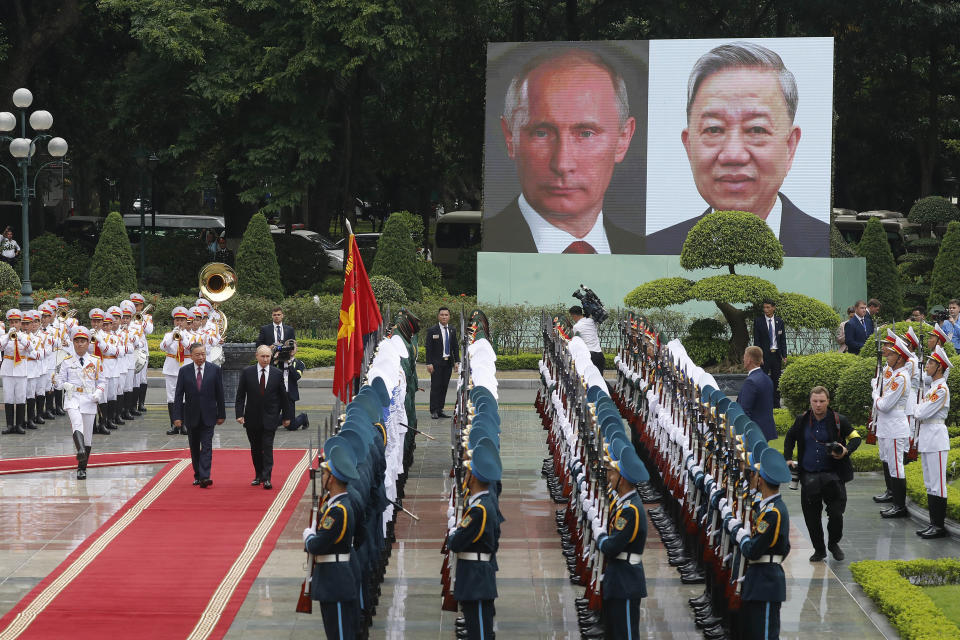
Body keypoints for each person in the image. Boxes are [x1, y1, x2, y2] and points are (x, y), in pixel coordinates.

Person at [646, 42, 829, 257]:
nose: (733, 155)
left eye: (756, 129)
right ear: (689, 146)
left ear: (790, 146)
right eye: (714, 129)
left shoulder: (831, 250)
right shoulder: (654, 251)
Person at [485, 48, 644, 254]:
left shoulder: (642, 250)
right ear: (510, 137)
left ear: (623, 139)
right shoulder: (486, 248)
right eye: (541, 133)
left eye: (586, 134)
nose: (562, 164)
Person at [783, 386, 861, 561]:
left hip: (833, 476)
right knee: (811, 517)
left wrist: (845, 450)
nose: (818, 405)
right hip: (809, 476)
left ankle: (833, 543)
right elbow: (789, 438)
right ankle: (819, 550)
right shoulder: (802, 420)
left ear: (828, 402)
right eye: (815, 401)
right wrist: (788, 458)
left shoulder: (838, 420)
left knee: (836, 515)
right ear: (810, 402)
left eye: (822, 401)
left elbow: (856, 438)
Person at [725, 447, 792, 640]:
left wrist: (739, 533)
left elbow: (753, 550)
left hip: (766, 583)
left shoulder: (774, 512)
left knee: (764, 635)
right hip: (759, 579)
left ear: (760, 480)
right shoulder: (769, 509)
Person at [303, 438, 361, 639]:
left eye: (325, 473)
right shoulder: (337, 505)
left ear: (333, 479)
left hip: (335, 582)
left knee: (340, 634)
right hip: (333, 578)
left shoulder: (339, 511)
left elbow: (318, 545)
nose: (323, 476)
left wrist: (309, 538)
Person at [446, 441, 502, 640]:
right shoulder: (480, 505)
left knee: (479, 633)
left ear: (474, 477)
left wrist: (453, 532)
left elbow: (455, 543)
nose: (466, 477)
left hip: (475, 578)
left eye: (469, 472)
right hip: (475, 576)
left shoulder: (479, 511)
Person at [595, 446, 648, 640]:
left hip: (625, 581)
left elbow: (612, 547)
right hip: (619, 579)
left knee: (625, 635)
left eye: (612, 473)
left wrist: (599, 536)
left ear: (622, 478)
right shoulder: (625, 505)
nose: (609, 477)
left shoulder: (630, 510)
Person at [235, 345, 292, 489]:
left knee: (267, 447)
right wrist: (239, 414)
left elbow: (283, 397)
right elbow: (240, 396)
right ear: (257, 356)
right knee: (255, 448)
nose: (265, 359)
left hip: (270, 417)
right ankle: (258, 475)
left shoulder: (277, 374)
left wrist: (286, 416)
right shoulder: (247, 372)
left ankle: (267, 478)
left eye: (268, 356)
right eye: (263, 356)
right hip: (252, 417)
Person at [54, 328, 105, 479]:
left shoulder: (95, 360)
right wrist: (62, 385)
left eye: (83, 341)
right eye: (77, 341)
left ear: (88, 343)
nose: (80, 344)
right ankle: (80, 450)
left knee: (88, 435)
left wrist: (98, 393)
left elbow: (102, 380)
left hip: (89, 398)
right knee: (76, 423)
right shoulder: (67, 361)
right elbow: (59, 382)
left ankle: (82, 467)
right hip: (72, 397)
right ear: (73, 343)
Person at [172, 343, 225, 488]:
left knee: (207, 446)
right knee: (194, 447)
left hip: (209, 415)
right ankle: (198, 474)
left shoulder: (214, 370)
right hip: (191, 415)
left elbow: (220, 393)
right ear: (191, 355)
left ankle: (205, 476)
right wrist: (177, 416)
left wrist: (221, 414)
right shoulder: (184, 371)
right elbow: (178, 395)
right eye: (198, 354)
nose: (201, 357)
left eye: (203, 354)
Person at [913, 345, 951, 539]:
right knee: (929, 483)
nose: (927, 365)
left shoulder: (941, 390)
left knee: (938, 484)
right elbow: (919, 411)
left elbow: (920, 412)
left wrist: (919, 409)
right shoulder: (933, 388)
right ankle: (933, 523)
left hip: (936, 437)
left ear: (940, 367)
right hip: (928, 437)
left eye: (931, 363)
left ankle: (939, 526)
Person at [872, 337, 913, 518]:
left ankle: (899, 506)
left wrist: (875, 396)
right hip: (887, 425)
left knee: (897, 466)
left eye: (892, 355)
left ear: (900, 359)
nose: (887, 356)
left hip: (895, 426)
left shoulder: (901, 378)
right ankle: (895, 502)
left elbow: (885, 404)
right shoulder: (895, 375)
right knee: (890, 464)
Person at [160, 307, 191, 435]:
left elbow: (190, 347)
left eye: (182, 320)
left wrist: (182, 337)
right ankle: (174, 424)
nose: (179, 323)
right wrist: (173, 337)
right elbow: (163, 347)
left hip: (185, 368)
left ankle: (184, 424)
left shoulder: (190, 335)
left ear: (186, 322)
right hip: (171, 368)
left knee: (185, 397)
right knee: (171, 398)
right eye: (177, 320)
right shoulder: (168, 335)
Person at [1, 309, 33, 434]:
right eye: (12, 322)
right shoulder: (4, 337)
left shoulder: (25, 336)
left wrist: (19, 337)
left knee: (20, 397)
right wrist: (8, 337)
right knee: (8, 398)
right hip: (8, 370)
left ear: (20, 323)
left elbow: (30, 348)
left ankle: (19, 425)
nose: (14, 325)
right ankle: (9, 425)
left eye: (16, 322)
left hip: (21, 370)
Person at [425, 307, 459, 419]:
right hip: (436, 364)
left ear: (449, 316)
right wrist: (429, 363)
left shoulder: (452, 330)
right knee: (436, 386)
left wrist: (457, 362)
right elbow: (428, 348)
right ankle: (433, 410)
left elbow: (455, 347)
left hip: (448, 363)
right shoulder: (432, 330)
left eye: (446, 315)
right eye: (442, 315)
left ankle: (440, 409)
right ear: (438, 316)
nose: (444, 317)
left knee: (444, 387)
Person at [738, 346, 777, 441]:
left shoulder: (750, 381)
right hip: (766, 431)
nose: (743, 359)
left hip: (753, 433)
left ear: (749, 360)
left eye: (744, 356)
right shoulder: (767, 379)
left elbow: (745, 411)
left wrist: (745, 434)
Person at [753, 299, 786, 407]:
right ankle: (762, 403)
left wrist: (784, 355)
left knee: (776, 380)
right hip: (764, 356)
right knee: (762, 379)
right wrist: (759, 356)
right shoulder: (758, 321)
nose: (766, 310)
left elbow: (782, 340)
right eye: (764, 307)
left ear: (773, 308)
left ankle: (776, 404)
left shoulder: (779, 321)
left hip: (776, 355)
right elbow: (756, 341)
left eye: (768, 307)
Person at [276, 343, 309, 431]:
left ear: (296, 349)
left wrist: (289, 364)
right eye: (288, 347)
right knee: (270, 424)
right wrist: (275, 358)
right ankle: (283, 418)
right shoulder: (279, 361)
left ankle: (303, 417)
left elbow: (296, 377)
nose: (291, 349)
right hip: (278, 394)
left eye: (293, 347)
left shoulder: (299, 363)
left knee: (291, 426)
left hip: (290, 395)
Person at [569, 305, 604, 372]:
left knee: (588, 380)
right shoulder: (592, 321)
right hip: (599, 355)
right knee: (599, 379)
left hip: (588, 356)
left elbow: (576, 339)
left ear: (574, 315)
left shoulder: (576, 326)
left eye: (572, 316)